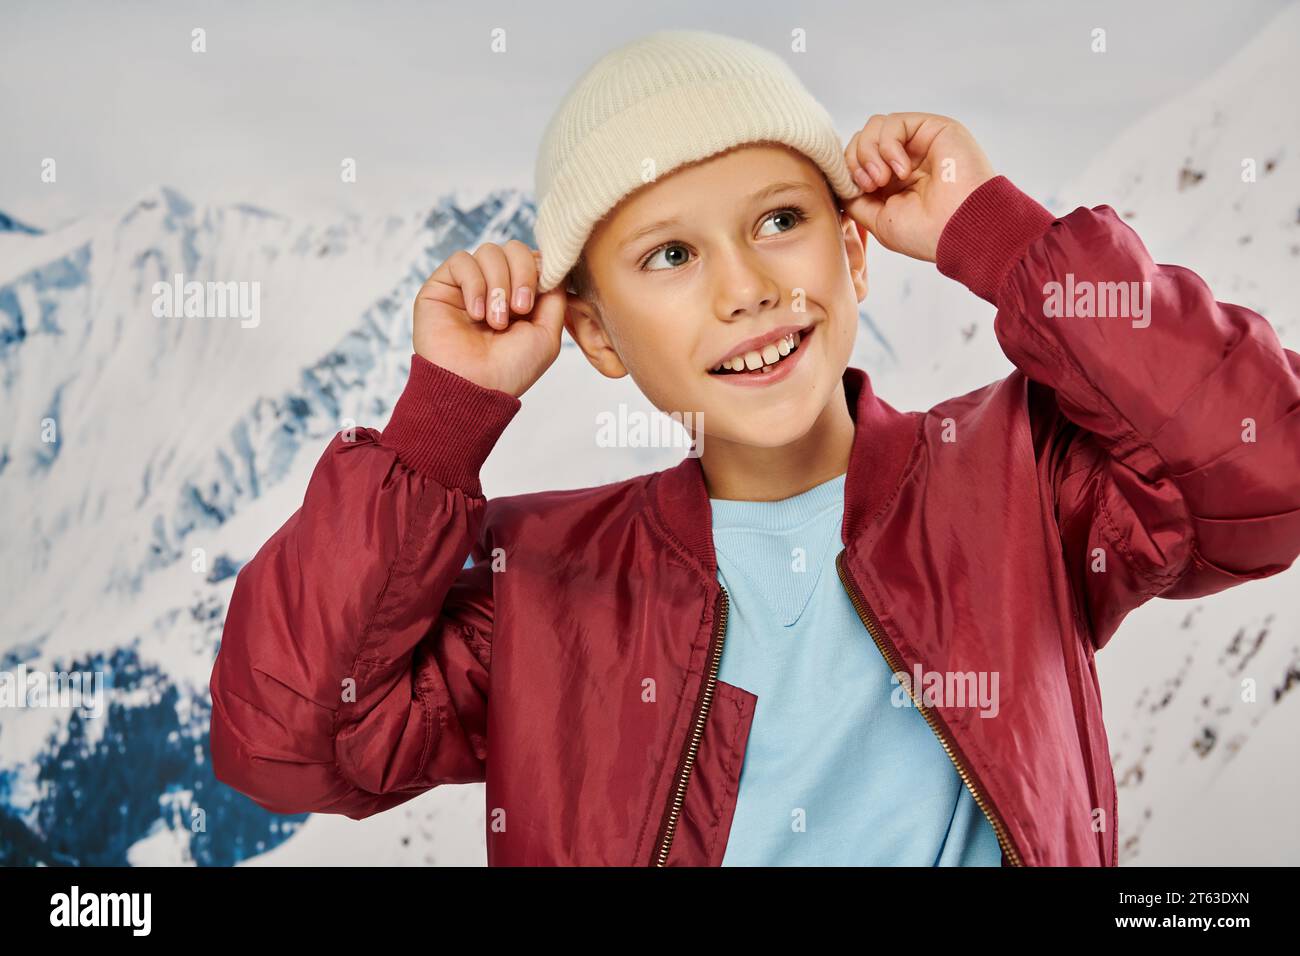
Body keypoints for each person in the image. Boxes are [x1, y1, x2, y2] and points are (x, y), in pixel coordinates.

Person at [208, 30, 1300, 866]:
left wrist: (996, 234)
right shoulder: (540, 581)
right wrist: (442, 421)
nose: (746, 288)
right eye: (671, 253)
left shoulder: (1019, 475)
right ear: (593, 331)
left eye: (780, 219)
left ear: (855, 250)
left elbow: (1261, 464)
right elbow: (288, 737)